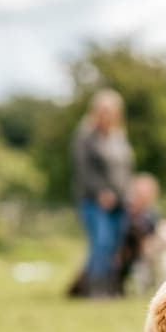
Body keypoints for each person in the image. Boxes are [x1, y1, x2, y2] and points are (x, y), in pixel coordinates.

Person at [68, 88, 133, 298]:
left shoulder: (119, 136)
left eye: (111, 111)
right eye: (104, 111)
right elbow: (84, 170)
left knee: (114, 246)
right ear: (95, 112)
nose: (108, 116)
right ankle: (96, 289)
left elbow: (125, 169)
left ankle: (111, 287)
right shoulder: (85, 137)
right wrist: (100, 192)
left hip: (120, 201)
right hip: (94, 201)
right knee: (101, 243)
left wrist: (127, 193)